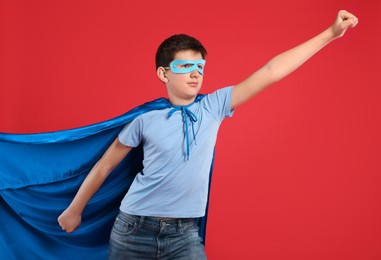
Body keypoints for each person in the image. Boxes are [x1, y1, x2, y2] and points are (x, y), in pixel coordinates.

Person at [58, 10, 358, 259]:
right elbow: (104, 167)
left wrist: (330, 34)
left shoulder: (213, 106)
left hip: (184, 235)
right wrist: (74, 210)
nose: (195, 73)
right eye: (185, 66)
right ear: (164, 73)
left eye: (200, 67)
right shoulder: (144, 120)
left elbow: (270, 71)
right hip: (133, 229)